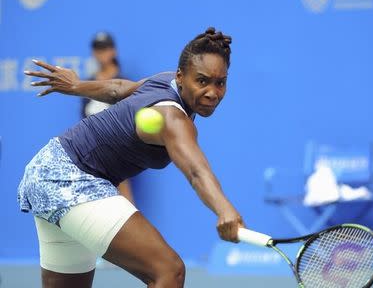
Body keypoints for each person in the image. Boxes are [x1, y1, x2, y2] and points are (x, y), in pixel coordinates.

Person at [19, 27, 244, 288]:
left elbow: (119, 89)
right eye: (202, 81)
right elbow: (195, 171)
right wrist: (224, 209)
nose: (212, 92)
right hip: (71, 178)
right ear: (182, 77)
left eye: (221, 82)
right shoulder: (173, 119)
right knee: (169, 271)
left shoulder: (166, 80)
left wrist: (77, 85)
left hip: (48, 169)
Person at [82, 31, 135, 204]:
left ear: (113, 51)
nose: (101, 53)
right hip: (93, 153)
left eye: (105, 48)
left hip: (118, 151)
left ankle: (132, 230)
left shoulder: (125, 84)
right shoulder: (88, 85)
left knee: (123, 201)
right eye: (98, 49)